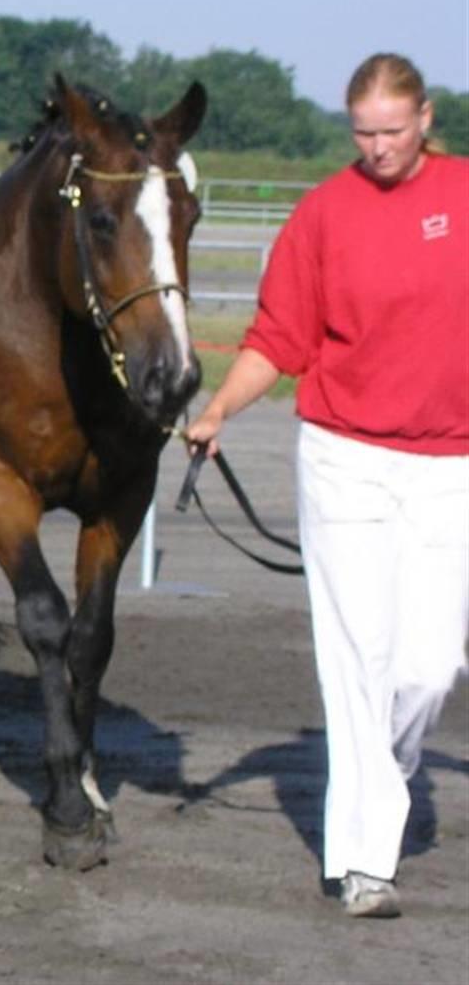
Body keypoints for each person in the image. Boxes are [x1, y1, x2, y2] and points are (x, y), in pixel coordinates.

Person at [187, 53, 468, 918]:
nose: (378, 148)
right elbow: (279, 338)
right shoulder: (322, 214)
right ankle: (361, 862)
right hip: (345, 456)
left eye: (393, 130)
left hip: (450, 461)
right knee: (358, 658)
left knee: (429, 666)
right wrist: (219, 409)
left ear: (424, 118)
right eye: (363, 134)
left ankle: (384, 770)